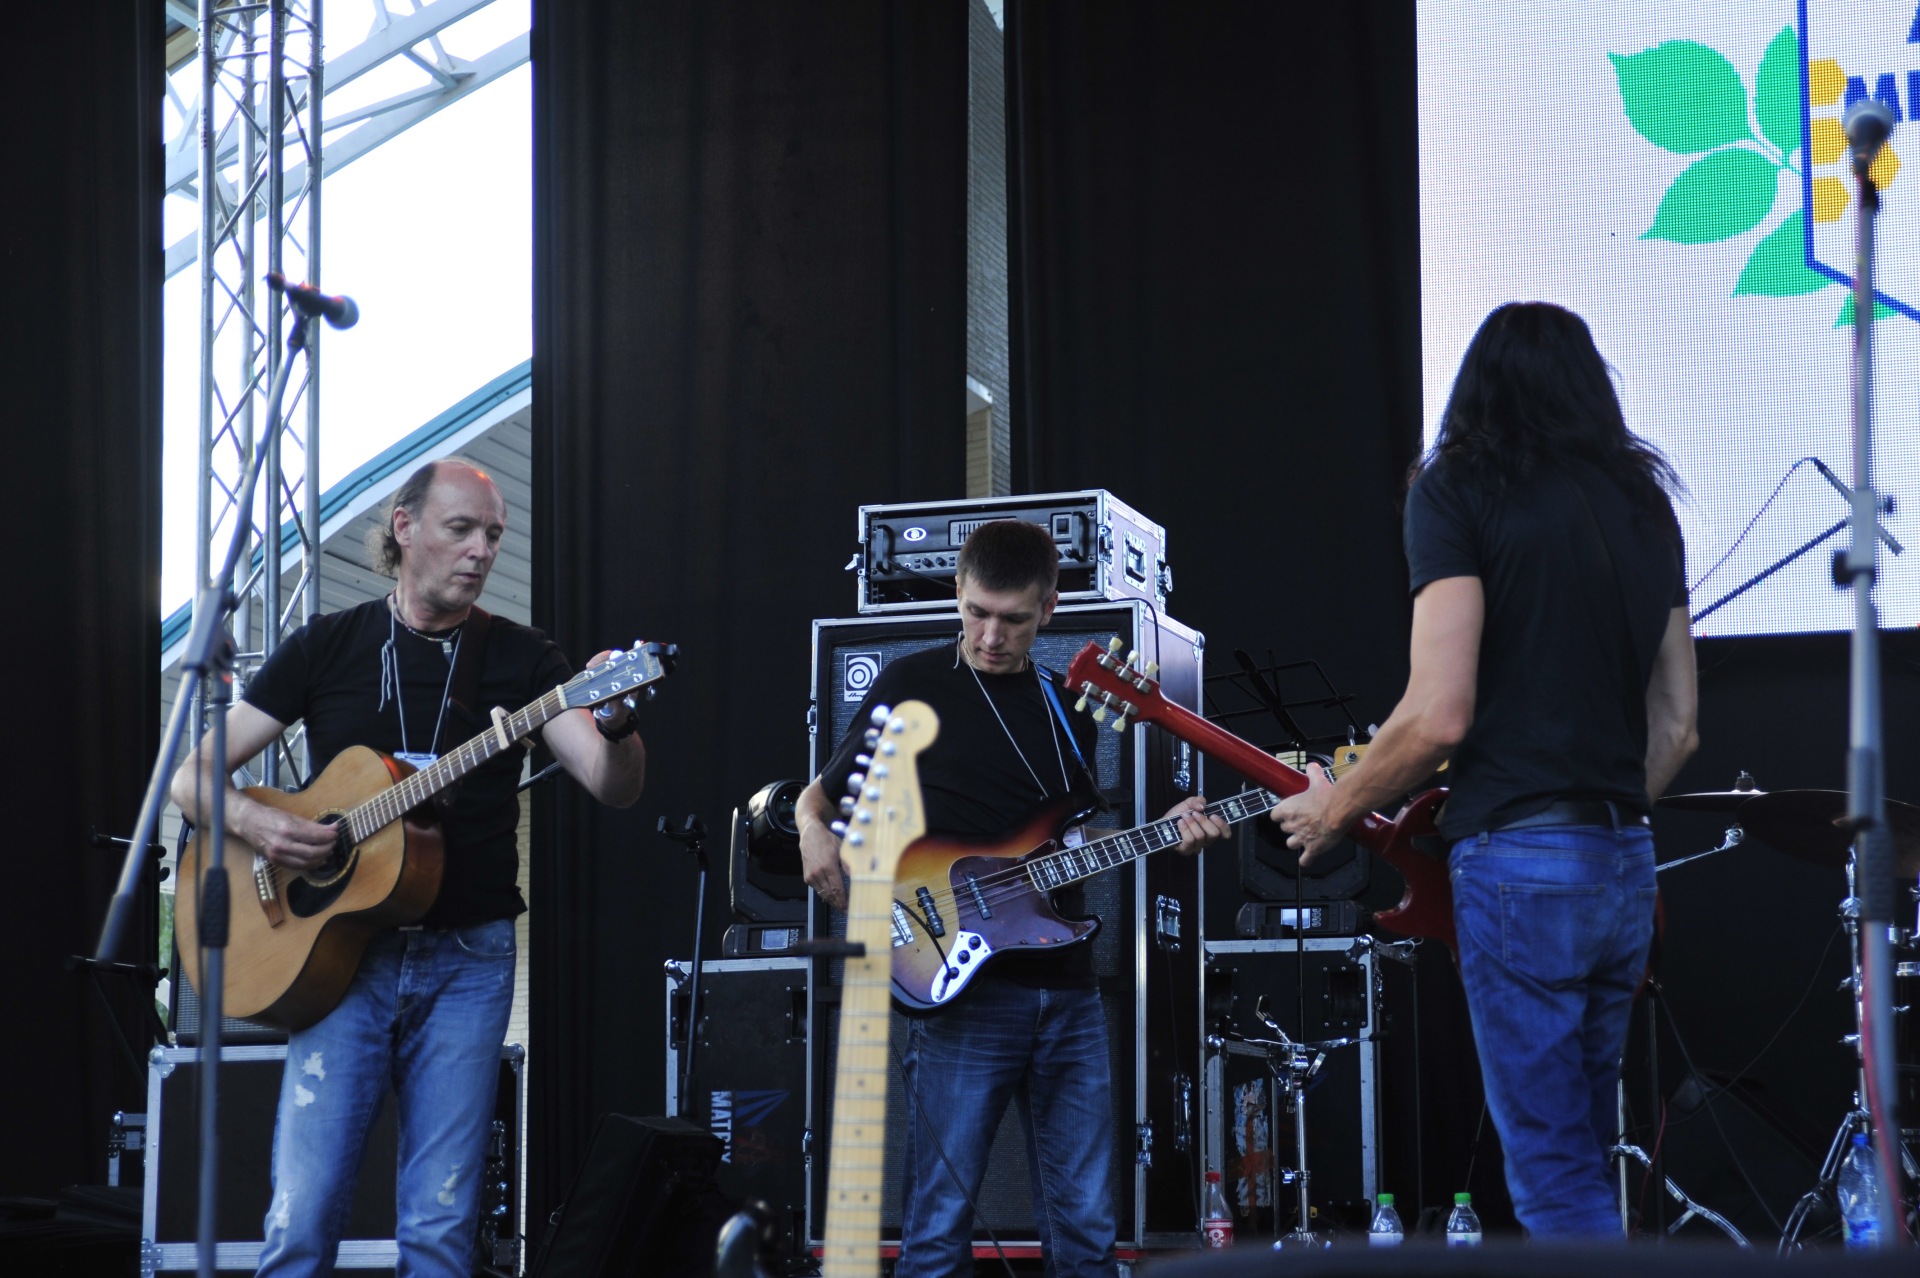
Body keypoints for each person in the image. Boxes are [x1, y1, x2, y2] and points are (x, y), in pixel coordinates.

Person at [1274, 302, 1698, 1239]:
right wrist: (1591, 825)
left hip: (1518, 862)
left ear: (1475, 388)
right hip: (1625, 858)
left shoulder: (1457, 488)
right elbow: (1677, 728)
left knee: (1552, 1173)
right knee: (1584, 1153)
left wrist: (1334, 809)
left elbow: (1438, 715)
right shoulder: (1644, 506)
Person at [171, 458, 647, 1275]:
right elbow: (192, 777)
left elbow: (613, 785)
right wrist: (260, 823)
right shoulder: (328, 645)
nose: (481, 550)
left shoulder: (525, 659)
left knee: (440, 1224)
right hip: (338, 958)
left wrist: (619, 725)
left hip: (468, 958)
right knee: (302, 1213)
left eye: (492, 534)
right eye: (461, 529)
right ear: (404, 526)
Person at [797, 518, 1227, 1277]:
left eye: (1014, 620)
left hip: (1067, 989)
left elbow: (1064, 839)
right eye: (976, 613)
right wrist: (811, 833)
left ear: (1049, 611)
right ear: (958, 594)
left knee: (1087, 1230)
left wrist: (1168, 833)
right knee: (937, 1232)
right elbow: (818, 798)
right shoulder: (911, 687)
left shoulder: (1065, 707)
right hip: (961, 984)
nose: (991, 636)